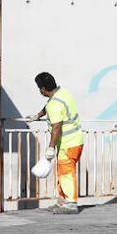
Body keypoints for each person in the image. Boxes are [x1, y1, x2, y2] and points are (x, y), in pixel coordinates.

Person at [33, 71, 84, 214]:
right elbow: (48, 105)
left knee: (67, 172)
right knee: (62, 171)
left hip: (68, 143)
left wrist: (50, 148)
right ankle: (62, 202)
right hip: (76, 141)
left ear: (42, 89)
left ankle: (71, 204)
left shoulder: (54, 105)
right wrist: (38, 115)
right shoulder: (63, 92)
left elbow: (56, 127)